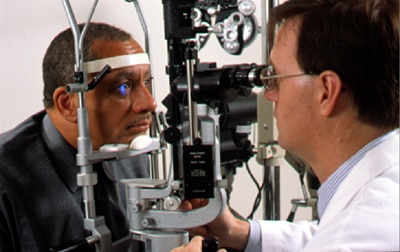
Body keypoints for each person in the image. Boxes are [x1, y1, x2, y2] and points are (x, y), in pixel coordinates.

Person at [173, 0, 399, 251]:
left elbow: (342, 237)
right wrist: (240, 233)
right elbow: (329, 231)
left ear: (326, 92)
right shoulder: (384, 182)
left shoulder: (349, 238)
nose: (269, 94)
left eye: (275, 77)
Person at [0, 22, 157, 251]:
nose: (149, 103)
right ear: (68, 104)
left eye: (146, 83)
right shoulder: (7, 184)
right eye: (124, 87)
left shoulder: (132, 148)